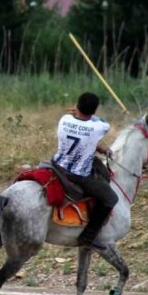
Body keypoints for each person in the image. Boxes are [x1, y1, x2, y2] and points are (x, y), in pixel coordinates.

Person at [52, 92, 118, 250]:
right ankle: (88, 236)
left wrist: (100, 148)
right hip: (78, 174)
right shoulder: (97, 127)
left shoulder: (64, 119)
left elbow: (81, 135)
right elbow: (104, 124)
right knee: (111, 198)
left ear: (77, 105)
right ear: (94, 111)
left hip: (57, 165)